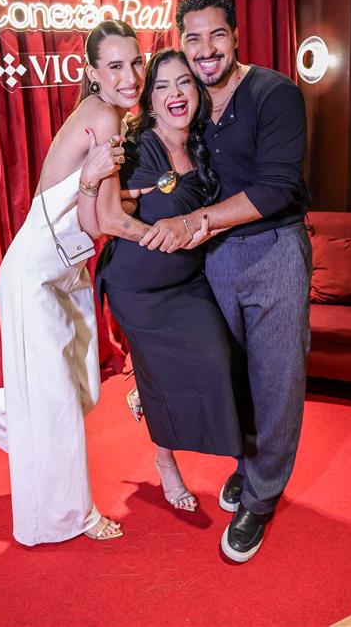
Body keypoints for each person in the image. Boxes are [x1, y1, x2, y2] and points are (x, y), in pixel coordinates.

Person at [139, 0, 312, 562]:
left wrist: (196, 221)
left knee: (277, 382)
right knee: (231, 375)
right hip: (212, 258)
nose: (206, 49)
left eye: (217, 34)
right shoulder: (190, 101)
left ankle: (261, 498)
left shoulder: (275, 93)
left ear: (235, 35)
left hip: (273, 251)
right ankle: (248, 464)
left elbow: (276, 188)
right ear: (183, 44)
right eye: (193, 38)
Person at [0, 20, 148, 546]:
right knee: (60, 402)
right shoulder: (104, 118)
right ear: (93, 73)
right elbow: (100, 220)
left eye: (136, 62)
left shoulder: (108, 115)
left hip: (63, 271)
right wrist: (169, 232)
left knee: (78, 385)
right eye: (115, 66)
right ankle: (72, 516)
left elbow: (95, 204)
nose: (131, 77)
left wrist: (135, 197)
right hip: (35, 276)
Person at [95, 48, 242, 512]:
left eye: (183, 82)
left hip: (187, 282)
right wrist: (147, 225)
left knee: (217, 357)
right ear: (150, 99)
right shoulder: (139, 148)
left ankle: (147, 388)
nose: (174, 93)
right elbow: (109, 213)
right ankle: (165, 461)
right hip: (136, 288)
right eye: (161, 86)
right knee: (162, 374)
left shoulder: (206, 144)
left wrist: (198, 232)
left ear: (197, 90)